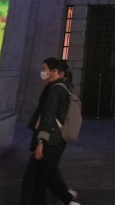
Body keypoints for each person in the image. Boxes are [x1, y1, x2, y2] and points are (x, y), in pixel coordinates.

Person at [21, 57, 80, 205]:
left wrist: (40, 141)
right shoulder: (65, 87)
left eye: (46, 70)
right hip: (57, 138)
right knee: (47, 173)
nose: (45, 73)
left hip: (51, 138)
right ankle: (67, 197)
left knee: (39, 178)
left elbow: (48, 116)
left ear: (59, 72)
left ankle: (67, 199)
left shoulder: (55, 89)